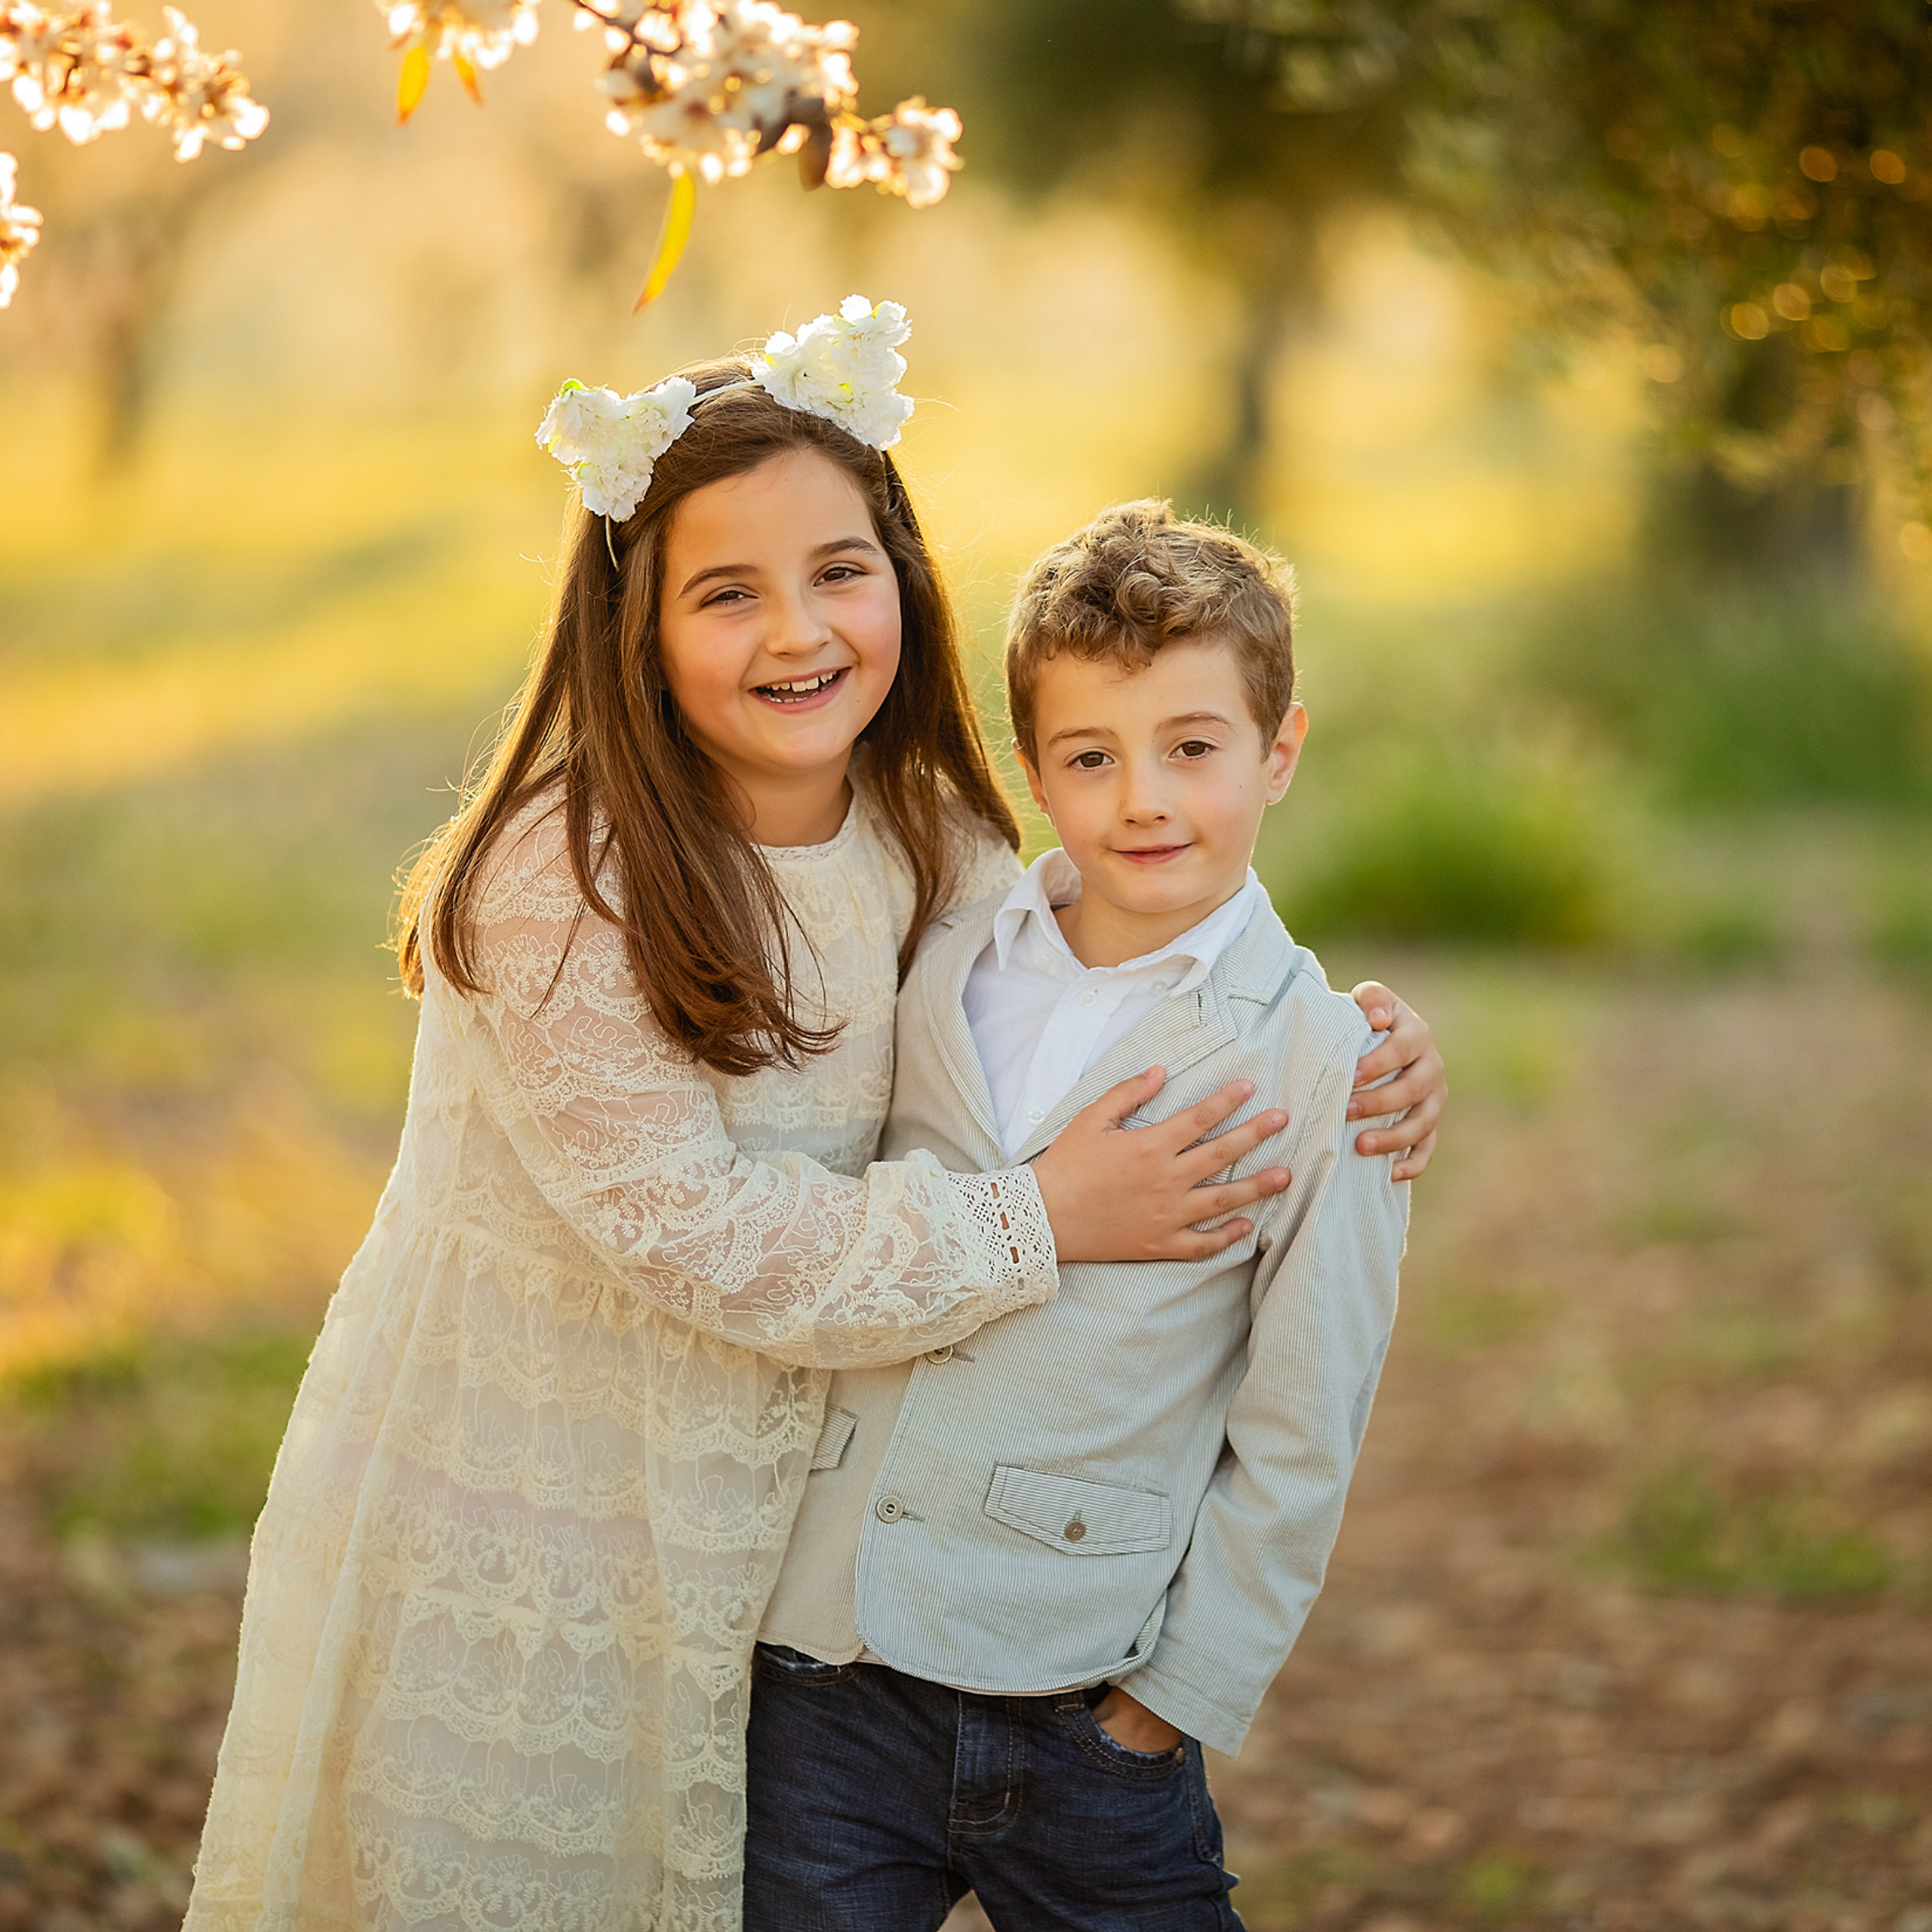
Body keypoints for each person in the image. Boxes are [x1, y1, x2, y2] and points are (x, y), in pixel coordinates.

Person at [183, 302, 1446, 1932]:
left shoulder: (937, 854)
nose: (799, 628)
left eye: (838, 571)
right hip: (546, 1499)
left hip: (788, 1554)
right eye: (727, 591)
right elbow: (700, 1236)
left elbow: (1131, 951)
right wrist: (1043, 1213)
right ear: (634, 624)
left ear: (904, 585)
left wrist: (1370, 1047)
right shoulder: (561, 883)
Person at [746, 500, 1411, 1931]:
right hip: (831, 1670)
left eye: (1194, 749)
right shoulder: (949, 957)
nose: (1145, 801)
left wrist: (1167, 1709)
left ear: (1278, 752)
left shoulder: (1322, 1063)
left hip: (1079, 1702)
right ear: (1034, 771)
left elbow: (1306, 1419)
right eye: (1091, 758)